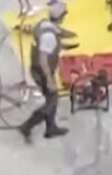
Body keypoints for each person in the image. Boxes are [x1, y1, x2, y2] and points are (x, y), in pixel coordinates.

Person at [18, 0, 77, 143]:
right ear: (62, 16)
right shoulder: (49, 37)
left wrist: (66, 39)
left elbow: (57, 33)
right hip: (42, 72)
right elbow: (43, 58)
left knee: (53, 98)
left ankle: (51, 127)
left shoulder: (43, 25)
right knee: (51, 101)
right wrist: (49, 79)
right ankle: (27, 126)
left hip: (39, 69)